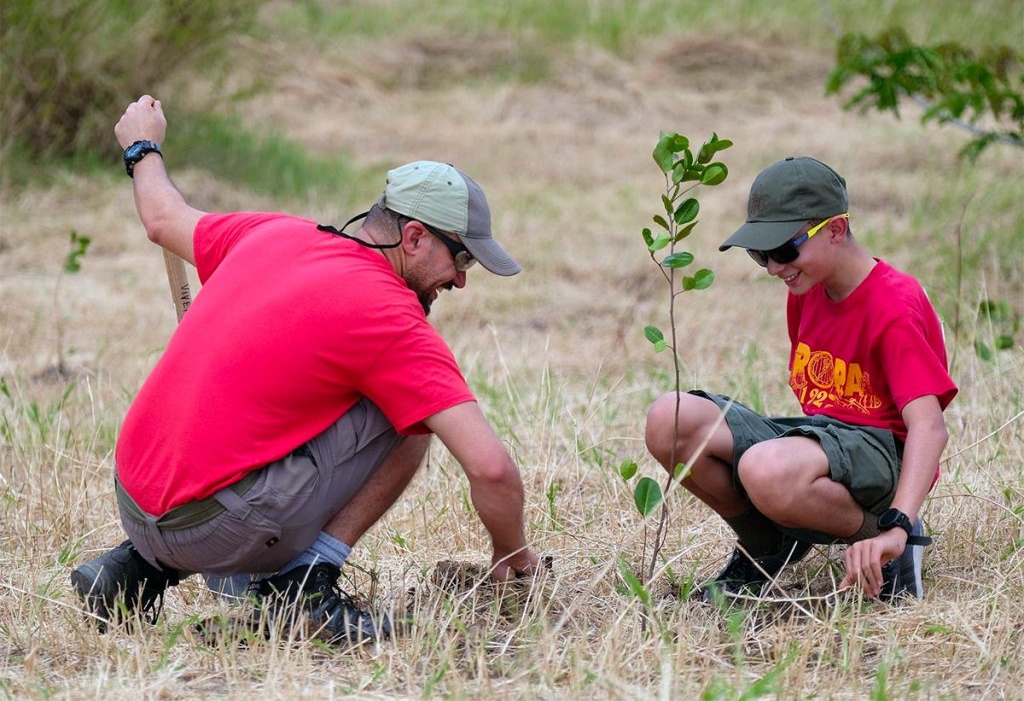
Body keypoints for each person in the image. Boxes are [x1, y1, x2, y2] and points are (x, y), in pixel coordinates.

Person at [71, 94, 539, 644]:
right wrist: (514, 556)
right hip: (213, 526)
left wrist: (143, 147)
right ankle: (304, 588)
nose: (461, 280)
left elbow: (161, 218)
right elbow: (492, 471)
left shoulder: (274, 232)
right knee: (416, 417)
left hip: (132, 497)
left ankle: (139, 568)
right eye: (461, 259)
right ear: (414, 237)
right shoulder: (392, 318)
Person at [645, 156, 957, 602]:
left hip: (883, 456)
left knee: (764, 468)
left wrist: (899, 521)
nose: (774, 267)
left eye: (785, 250)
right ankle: (767, 549)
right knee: (670, 418)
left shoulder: (893, 303)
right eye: (761, 254)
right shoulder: (808, 290)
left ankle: (888, 546)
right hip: (824, 439)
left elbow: (929, 427)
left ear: (835, 229)